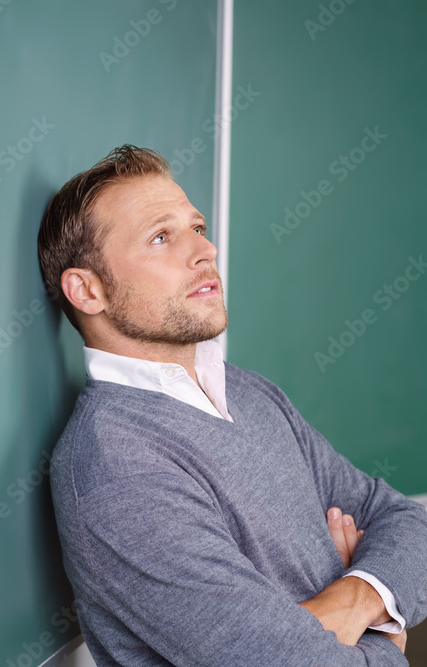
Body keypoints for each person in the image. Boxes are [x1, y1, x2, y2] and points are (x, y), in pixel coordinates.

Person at [37, 145, 427, 666]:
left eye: (196, 228)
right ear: (87, 291)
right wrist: (389, 637)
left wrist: (356, 598)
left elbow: (404, 519)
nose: (206, 250)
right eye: (160, 237)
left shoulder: (248, 391)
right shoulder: (115, 467)